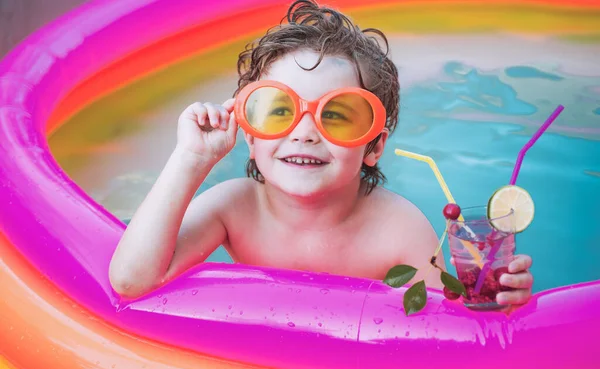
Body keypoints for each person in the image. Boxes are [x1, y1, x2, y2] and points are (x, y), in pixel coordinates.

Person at [109, 0, 533, 309]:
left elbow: (450, 326)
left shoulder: (399, 229)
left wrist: (496, 297)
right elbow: (131, 281)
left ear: (375, 146)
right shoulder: (233, 208)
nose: (305, 133)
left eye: (338, 116)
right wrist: (191, 159)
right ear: (251, 135)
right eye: (279, 112)